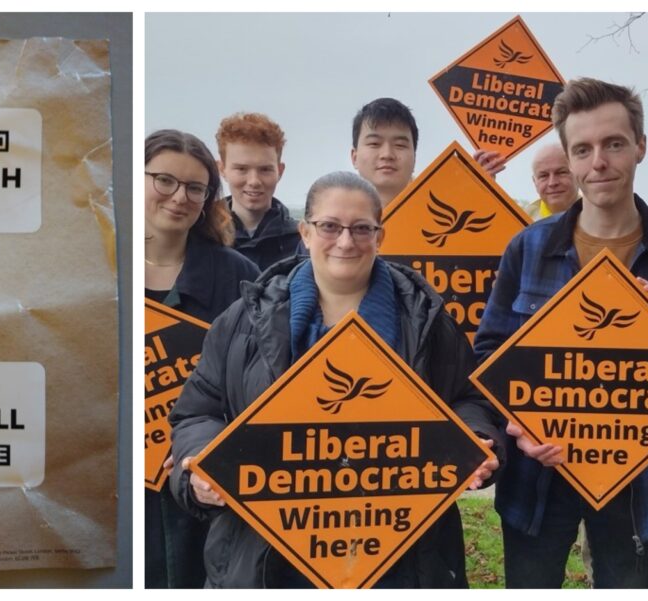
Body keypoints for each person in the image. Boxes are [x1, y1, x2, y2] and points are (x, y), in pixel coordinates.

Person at [168, 170, 505, 588]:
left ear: (380, 236)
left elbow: (468, 397)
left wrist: (475, 438)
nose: (346, 242)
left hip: (402, 556)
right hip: (267, 558)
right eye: (329, 226)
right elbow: (197, 412)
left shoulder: (427, 319)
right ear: (305, 232)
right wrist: (199, 471)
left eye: (362, 228)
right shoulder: (242, 321)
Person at [474, 78, 648, 588]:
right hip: (538, 480)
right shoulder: (526, 248)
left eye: (614, 144)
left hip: (642, 482)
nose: (599, 163)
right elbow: (489, 357)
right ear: (569, 159)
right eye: (583, 149)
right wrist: (519, 428)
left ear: (639, 146)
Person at [144, 129, 260, 588]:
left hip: (211, 493)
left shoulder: (239, 276)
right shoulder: (99, 269)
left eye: (196, 188)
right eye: (165, 181)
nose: (180, 197)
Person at [350, 97, 506, 207]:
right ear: (354, 157)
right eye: (374, 143)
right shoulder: (333, 213)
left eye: (400, 145)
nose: (387, 154)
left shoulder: (444, 207)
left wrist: (482, 197)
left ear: (414, 155)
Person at [216, 112, 301, 270]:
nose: (254, 181)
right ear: (222, 169)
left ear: (280, 171)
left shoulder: (303, 243)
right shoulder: (200, 238)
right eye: (241, 169)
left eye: (265, 170)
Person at [526, 144, 580, 220]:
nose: (552, 183)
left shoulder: (600, 215)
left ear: (578, 175)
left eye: (561, 172)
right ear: (535, 182)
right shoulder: (520, 223)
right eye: (544, 176)